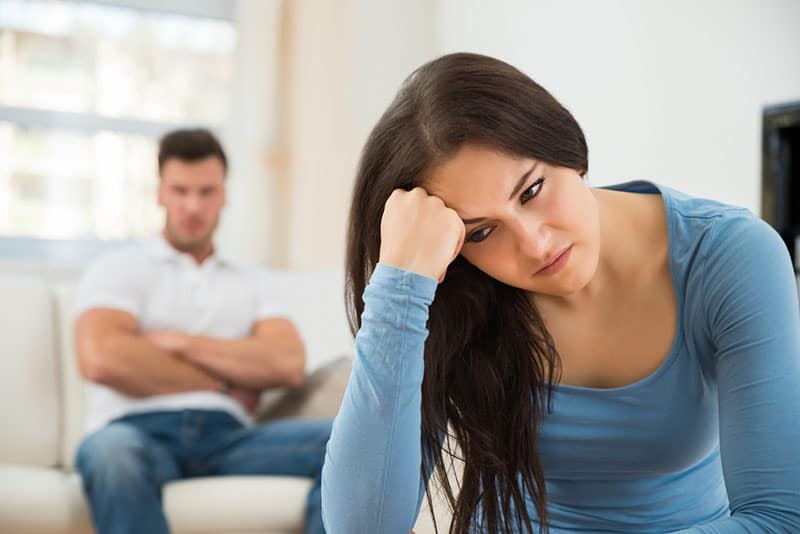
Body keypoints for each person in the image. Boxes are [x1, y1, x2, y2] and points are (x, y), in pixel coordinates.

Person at [321, 53, 800, 533]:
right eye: (482, 233)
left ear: (565, 144)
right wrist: (400, 286)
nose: (534, 244)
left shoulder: (729, 257)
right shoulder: (455, 294)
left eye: (531, 191)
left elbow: (779, 519)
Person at [74, 128, 331, 534]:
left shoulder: (252, 282)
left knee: (350, 442)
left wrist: (178, 343)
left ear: (224, 195)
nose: (193, 206)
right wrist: (225, 384)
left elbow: (287, 363)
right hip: (136, 433)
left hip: (227, 439)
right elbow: (103, 359)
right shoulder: (118, 268)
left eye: (206, 191)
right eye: (180, 190)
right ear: (160, 192)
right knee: (110, 455)